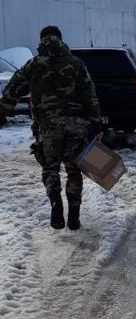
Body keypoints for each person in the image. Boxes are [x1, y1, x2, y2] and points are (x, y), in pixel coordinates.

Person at [0, 25, 103, 231]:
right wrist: (95, 122)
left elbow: (12, 90)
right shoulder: (76, 64)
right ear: (61, 40)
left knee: (50, 168)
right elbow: (89, 95)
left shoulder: (33, 65)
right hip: (76, 126)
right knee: (74, 171)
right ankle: (74, 216)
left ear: (41, 41)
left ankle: (56, 203)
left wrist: (2, 112)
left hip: (48, 127)